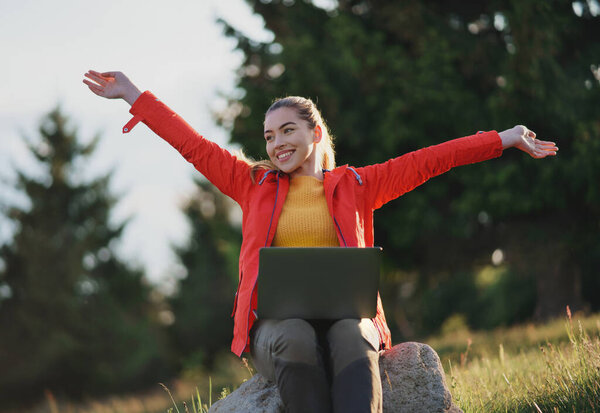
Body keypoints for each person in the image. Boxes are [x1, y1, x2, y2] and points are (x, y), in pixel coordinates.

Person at [83, 69, 558, 413]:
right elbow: (192, 144)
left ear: (315, 133)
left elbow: (431, 159)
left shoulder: (358, 184)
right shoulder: (250, 183)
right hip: (277, 329)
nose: (277, 144)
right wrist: (133, 95)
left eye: (288, 130)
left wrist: (503, 137)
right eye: (269, 136)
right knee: (294, 335)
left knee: (353, 335)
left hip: (347, 321)